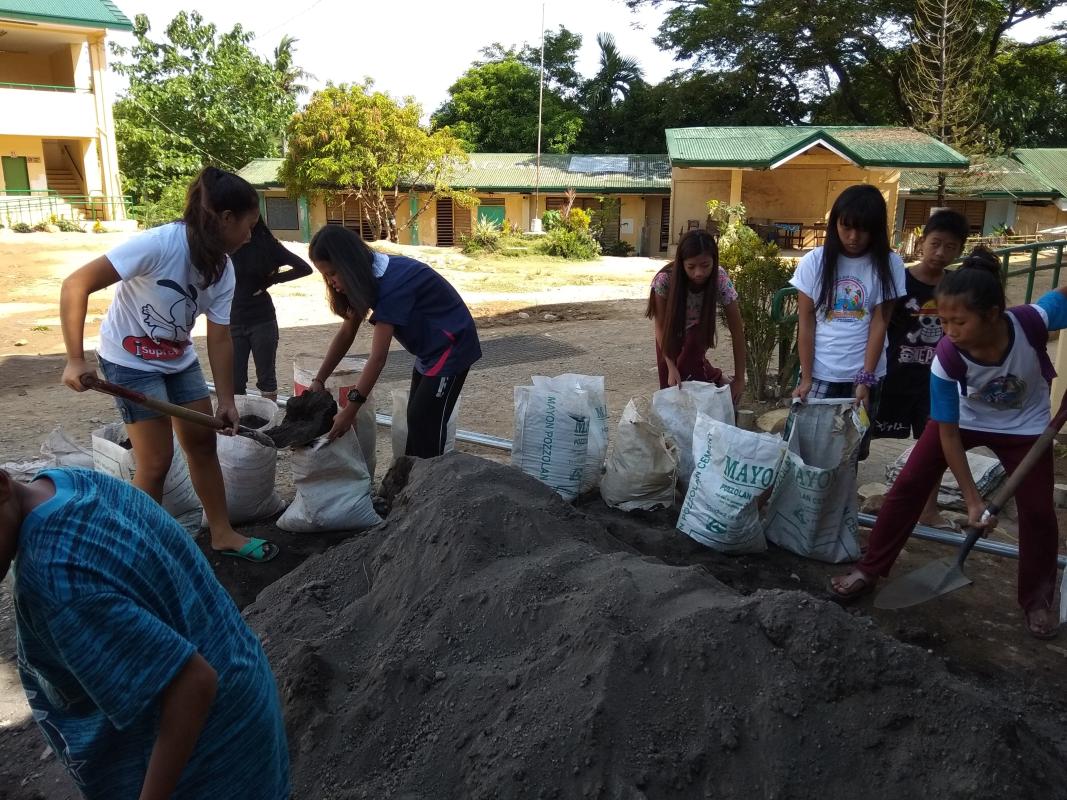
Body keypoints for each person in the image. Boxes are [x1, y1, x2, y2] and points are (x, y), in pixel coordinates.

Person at [1, 466, 290, 798]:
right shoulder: (65, 482)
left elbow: (193, 686)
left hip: (205, 761)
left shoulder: (56, 587)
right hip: (240, 692)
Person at [829, 249, 1066, 640]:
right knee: (908, 485)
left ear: (992, 314)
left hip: (1027, 427)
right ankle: (870, 567)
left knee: (1039, 513)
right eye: (943, 321)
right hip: (964, 421)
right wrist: (972, 501)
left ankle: (1037, 600)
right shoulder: (947, 356)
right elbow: (949, 432)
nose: (950, 330)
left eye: (959, 321)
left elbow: (1062, 293)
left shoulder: (1031, 322)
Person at [59, 166, 277, 563]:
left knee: (201, 443)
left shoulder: (223, 268)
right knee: (156, 461)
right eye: (249, 224)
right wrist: (75, 358)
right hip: (128, 360)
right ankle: (137, 553)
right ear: (226, 218)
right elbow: (77, 283)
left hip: (177, 358)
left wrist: (227, 398)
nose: (251, 235)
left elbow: (219, 335)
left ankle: (222, 533)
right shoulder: (159, 244)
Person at [308, 224, 482, 457]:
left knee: (426, 420)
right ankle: (413, 479)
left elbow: (378, 359)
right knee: (416, 415)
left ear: (349, 265)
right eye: (325, 275)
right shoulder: (368, 277)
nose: (330, 282)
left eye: (332, 273)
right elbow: (347, 332)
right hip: (429, 349)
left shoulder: (392, 285)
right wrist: (319, 379)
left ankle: (433, 484)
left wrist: (350, 411)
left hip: (451, 346)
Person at [790, 184, 906, 459]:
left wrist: (865, 379)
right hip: (820, 372)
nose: (853, 237)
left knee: (850, 452)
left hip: (864, 374)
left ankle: (841, 503)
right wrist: (806, 378)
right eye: (846, 227)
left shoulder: (890, 264)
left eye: (863, 229)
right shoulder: (814, 262)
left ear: (876, 229)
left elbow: (880, 323)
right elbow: (806, 322)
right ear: (835, 225)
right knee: (809, 451)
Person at [872, 209, 969, 526]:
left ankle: (928, 509)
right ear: (921, 242)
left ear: (960, 250)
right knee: (866, 435)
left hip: (937, 381)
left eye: (951, 247)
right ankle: (864, 496)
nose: (941, 253)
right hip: (894, 375)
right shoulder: (899, 280)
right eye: (936, 243)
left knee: (936, 443)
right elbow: (880, 323)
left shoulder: (956, 287)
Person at [645, 228, 747, 404]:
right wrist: (670, 366)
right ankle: (716, 379)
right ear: (681, 263)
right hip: (669, 332)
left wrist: (739, 379)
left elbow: (737, 331)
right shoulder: (663, 281)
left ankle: (708, 402)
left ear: (714, 262)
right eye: (691, 267)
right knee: (670, 386)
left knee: (691, 367)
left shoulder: (720, 279)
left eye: (705, 265)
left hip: (698, 328)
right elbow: (660, 327)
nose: (698, 273)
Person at [230, 218, 312, 401]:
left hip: (262, 319)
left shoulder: (267, 244)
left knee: (266, 378)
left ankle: (269, 424)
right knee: (235, 380)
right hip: (232, 320)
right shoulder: (226, 246)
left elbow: (304, 268)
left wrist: (274, 280)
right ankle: (237, 423)